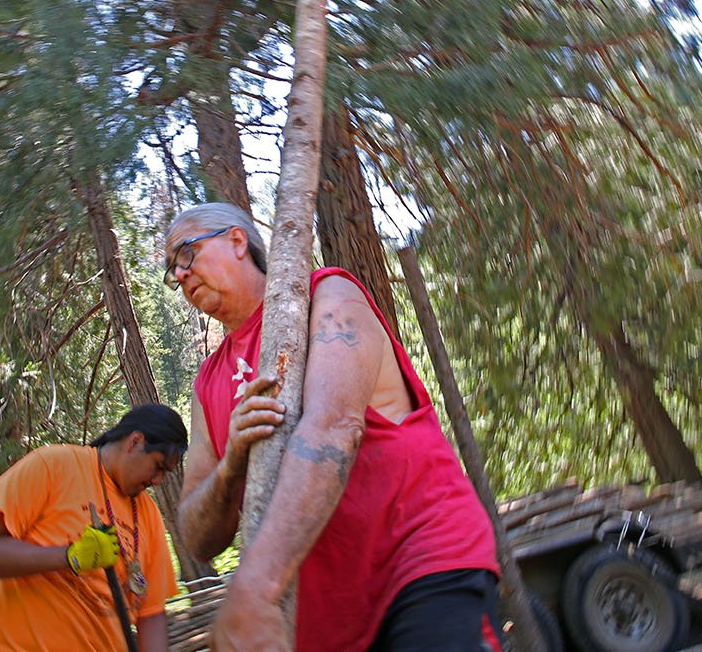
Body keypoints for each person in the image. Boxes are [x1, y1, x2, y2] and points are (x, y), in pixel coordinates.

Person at [167, 202, 501, 652]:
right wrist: (230, 467)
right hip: (325, 626)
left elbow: (334, 427)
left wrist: (257, 586)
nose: (181, 274)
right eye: (173, 270)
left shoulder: (328, 296)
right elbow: (195, 534)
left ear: (237, 240)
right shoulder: (208, 382)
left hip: (417, 564)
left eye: (186, 254)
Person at [0, 404, 185, 652]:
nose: (158, 481)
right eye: (158, 466)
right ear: (135, 441)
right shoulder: (52, 466)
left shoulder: (148, 515)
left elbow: (151, 614)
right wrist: (69, 557)